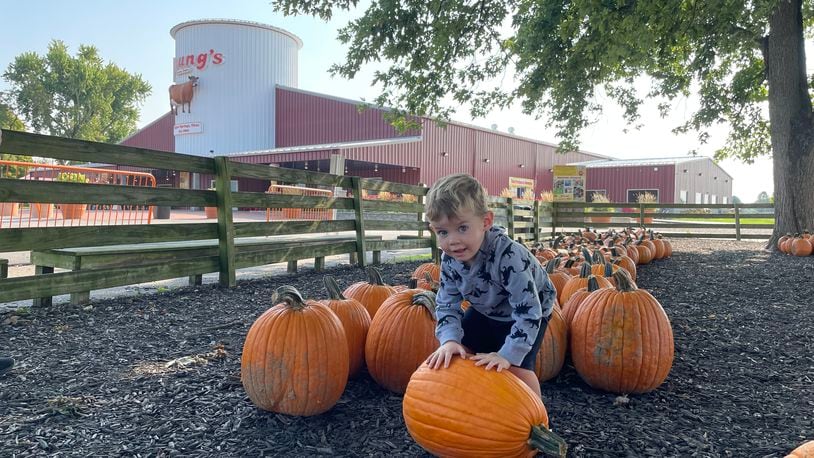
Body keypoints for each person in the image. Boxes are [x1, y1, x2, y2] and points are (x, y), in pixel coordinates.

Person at [424, 173, 556, 397]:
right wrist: (450, 340)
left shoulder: (510, 257)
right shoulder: (449, 260)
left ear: (485, 221)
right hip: (486, 308)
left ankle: (538, 420)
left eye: (462, 228)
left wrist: (507, 355)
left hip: (529, 311)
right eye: (443, 232)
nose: (453, 240)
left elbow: (528, 310)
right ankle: (475, 404)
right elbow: (447, 304)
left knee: (517, 368)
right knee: (458, 352)